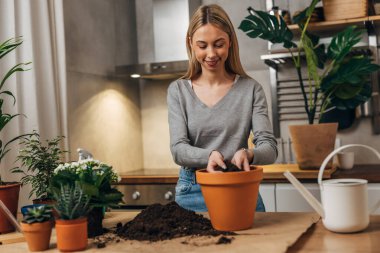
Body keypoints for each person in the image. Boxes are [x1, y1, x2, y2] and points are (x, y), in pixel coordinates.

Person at [167, 4, 277, 212]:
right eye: (202, 45)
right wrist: (208, 156)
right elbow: (178, 149)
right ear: (191, 43)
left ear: (230, 42)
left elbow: (269, 147)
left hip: (240, 186)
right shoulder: (178, 91)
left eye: (218, 44)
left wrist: (249, 153)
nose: (211, 54)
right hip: (193, 190)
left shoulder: (251, 89)